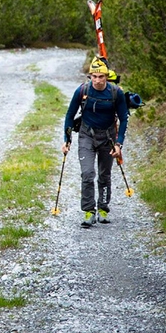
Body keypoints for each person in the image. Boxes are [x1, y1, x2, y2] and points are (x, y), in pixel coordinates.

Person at [61, 56, 129, 228]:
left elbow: (123, 119)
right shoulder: (82, 91)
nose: (97, 80)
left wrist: (118, 144)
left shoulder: (116, 93)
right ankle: (89, 211)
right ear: (90, 76)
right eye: (94, 76)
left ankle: (103, 209)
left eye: (101, 76)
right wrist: (66, 139)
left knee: (104, 175)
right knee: (88, 173)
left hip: (108, 137)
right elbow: (69, 115)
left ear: (107, 76)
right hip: (86, 135)